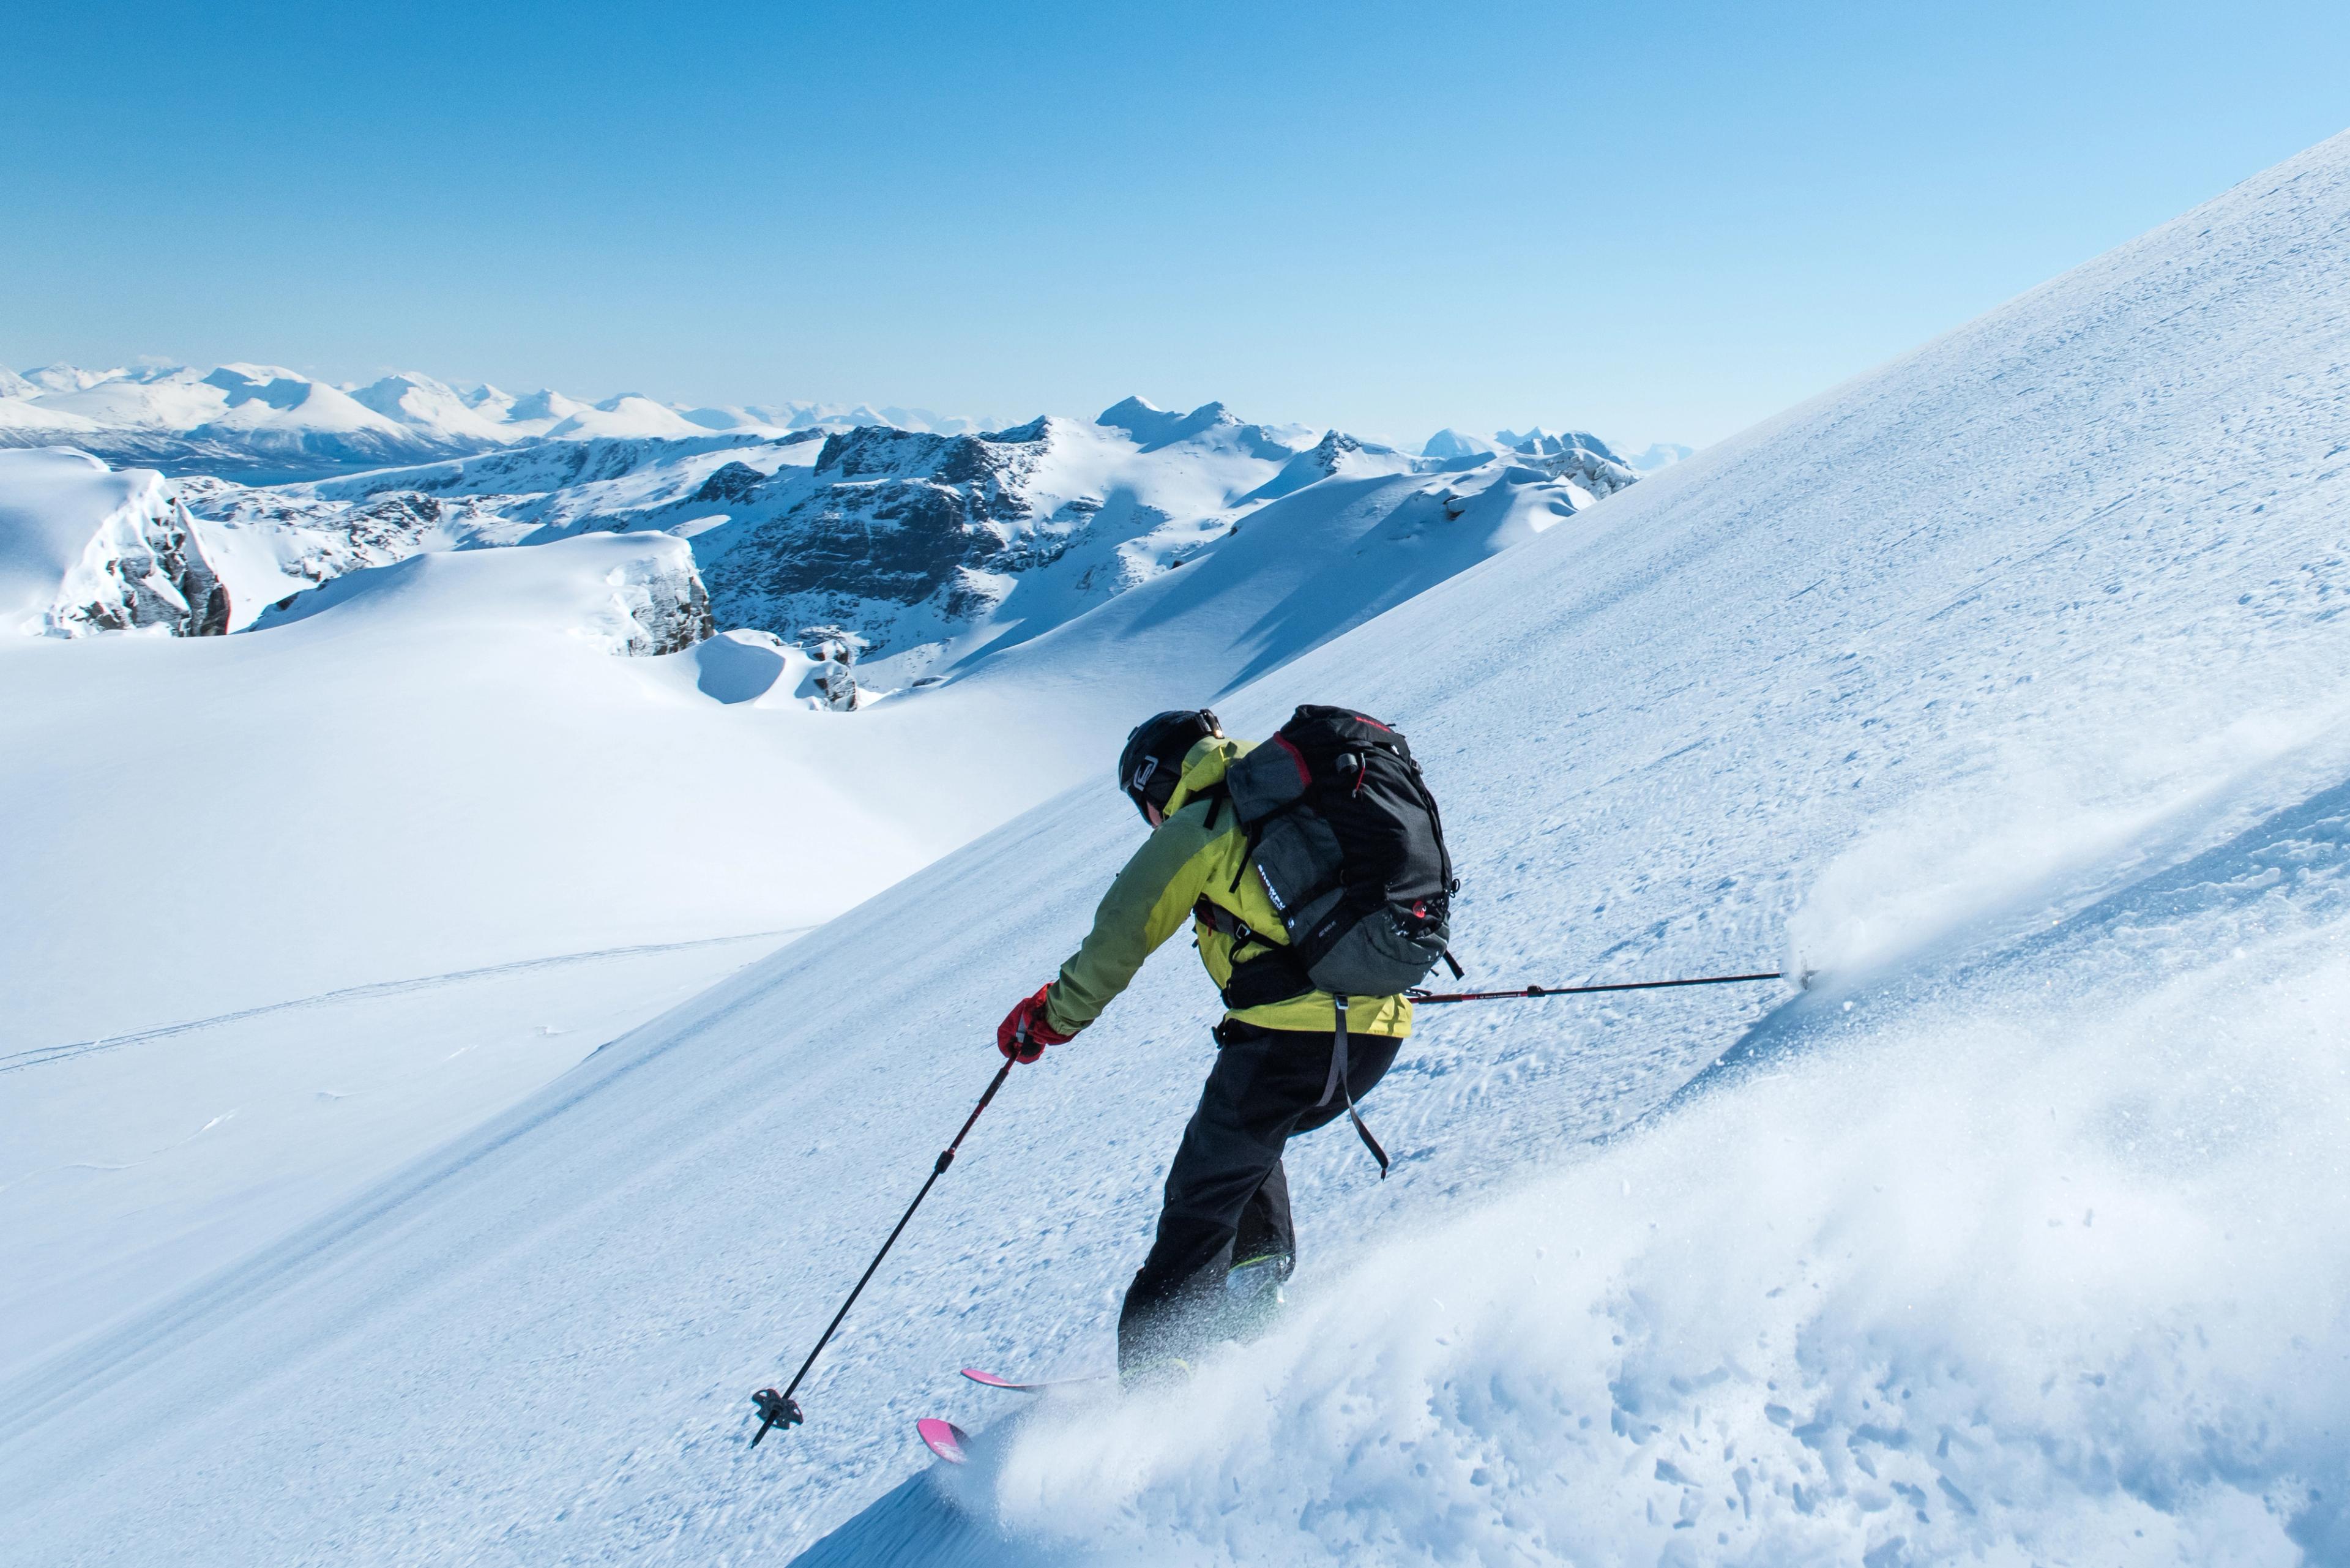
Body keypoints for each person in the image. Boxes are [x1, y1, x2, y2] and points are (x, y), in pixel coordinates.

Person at [994, 708, 1412, 1378]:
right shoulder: (1300, 798)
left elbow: (1119, 938)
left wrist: (1049, 1019)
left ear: (1156, 784)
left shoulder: (1202, 826)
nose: (1151, 819)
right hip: (1373, 1035)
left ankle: (1156, 1385)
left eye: (1144, 805)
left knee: (1197, 1205)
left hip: (1290, 1045)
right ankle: (1253, 1296)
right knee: (1242, 1151)